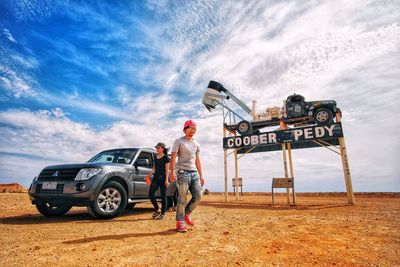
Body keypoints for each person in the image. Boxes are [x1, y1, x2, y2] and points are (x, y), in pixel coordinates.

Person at [170, 120, 205, 232]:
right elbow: (173, 157)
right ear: (185, 129)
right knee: (182, 198)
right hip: (182, 172)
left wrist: (201, 175)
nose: (192, 131)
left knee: (199, 195)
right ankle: (180, 222)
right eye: (190, 128)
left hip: (194, 173)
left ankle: (187, 213)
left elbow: (197, 160)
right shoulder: (179, 141)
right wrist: (172, 172)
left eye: (194, 129)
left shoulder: (196, 144)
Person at [145, 142, 170, 220]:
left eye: (158, 148)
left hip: (163, 178)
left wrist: (166, 180)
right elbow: (154, 168)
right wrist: (149, 175)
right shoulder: (155, 157)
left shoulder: (166, 158)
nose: (157, 149)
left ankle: (162, 214)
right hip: (155, 178)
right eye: (156, 148)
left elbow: (167, 170)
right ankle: (157, 209)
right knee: (151, 193)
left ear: (162, 148)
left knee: (163, 196)